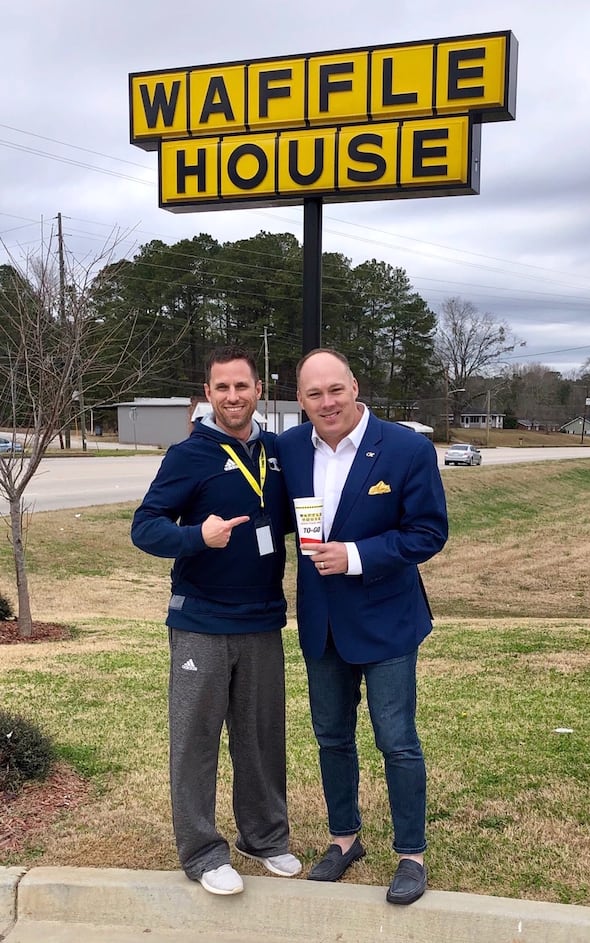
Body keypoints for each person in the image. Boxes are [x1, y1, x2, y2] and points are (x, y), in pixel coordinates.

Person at [276, 348, 448, 906]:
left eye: (335, 390)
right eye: (313, 394)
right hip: (322, 623)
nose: (326, 403)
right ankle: (344, 840)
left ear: (354, 386)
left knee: (396, 741)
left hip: (387, 621)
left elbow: (427, 533)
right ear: (299, 400)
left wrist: (353, 555)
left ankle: (411, 855)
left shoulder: (406, 449)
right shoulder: (289, 450)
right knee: (331, 738)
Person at [131, 346, 301, 896]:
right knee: (196, 739)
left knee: (261, 738)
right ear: (208, 394)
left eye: (242, 387)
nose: (233, 397)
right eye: (222, 388)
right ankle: (203, 852)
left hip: (261, 621)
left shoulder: (276, 454)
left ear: (259, 391)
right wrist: (194, 538)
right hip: (201, 620)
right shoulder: (189, 455)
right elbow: (145, 527)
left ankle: (265, 836)